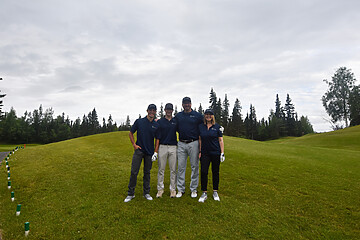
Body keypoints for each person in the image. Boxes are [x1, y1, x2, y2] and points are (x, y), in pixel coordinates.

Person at [124, 104, 159, 203]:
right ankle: (130, 193)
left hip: (149, 152)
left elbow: (157, 139)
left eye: (154, 110)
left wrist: (155, 152)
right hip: (139, 151)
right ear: (147, 111)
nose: (152, 112)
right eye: (150, 110)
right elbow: (131, 133)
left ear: (155, 112)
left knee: (147, 173)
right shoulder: (139, 122)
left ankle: (146, 193)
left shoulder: (156, 124)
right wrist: (134, 145)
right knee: (134, 172)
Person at [175, 97, 203, 198]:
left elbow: (206, 123)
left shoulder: (197, 116)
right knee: (181, 167)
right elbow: (172, 124)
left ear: (191, 104)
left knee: (194, 166)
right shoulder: (178, 116)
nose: (186, 105)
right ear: (182, 104)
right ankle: (180, 189)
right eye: (185, 103)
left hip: (193, 143)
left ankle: (193, 189)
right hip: (181, 143)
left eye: (188, 103)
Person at [198, 109, 225, 202]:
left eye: (210, 114)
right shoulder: (201, 127)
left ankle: (215, 191)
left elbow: (220, 140)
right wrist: (200, 151)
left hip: (215, 152)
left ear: (213, 116)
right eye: (206, 114)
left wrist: (222, 153)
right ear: (204, 116)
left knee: (215, 172)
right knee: (204, 172)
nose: (208, 116)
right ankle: (204, 192)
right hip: (205, 153)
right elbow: (200, 139)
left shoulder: (217, 127)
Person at [153, 103, 178, 198]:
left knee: (173, 170)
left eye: (170, 109)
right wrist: (156, 150)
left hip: (173, 147)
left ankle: (173, 189)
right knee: (161, 169)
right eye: (167, 109)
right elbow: (156, 134)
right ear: (165, 110)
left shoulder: (175, 121)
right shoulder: (160, 122)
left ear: (172, 110)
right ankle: (160, 189)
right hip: (162, 146)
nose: (169, 111)